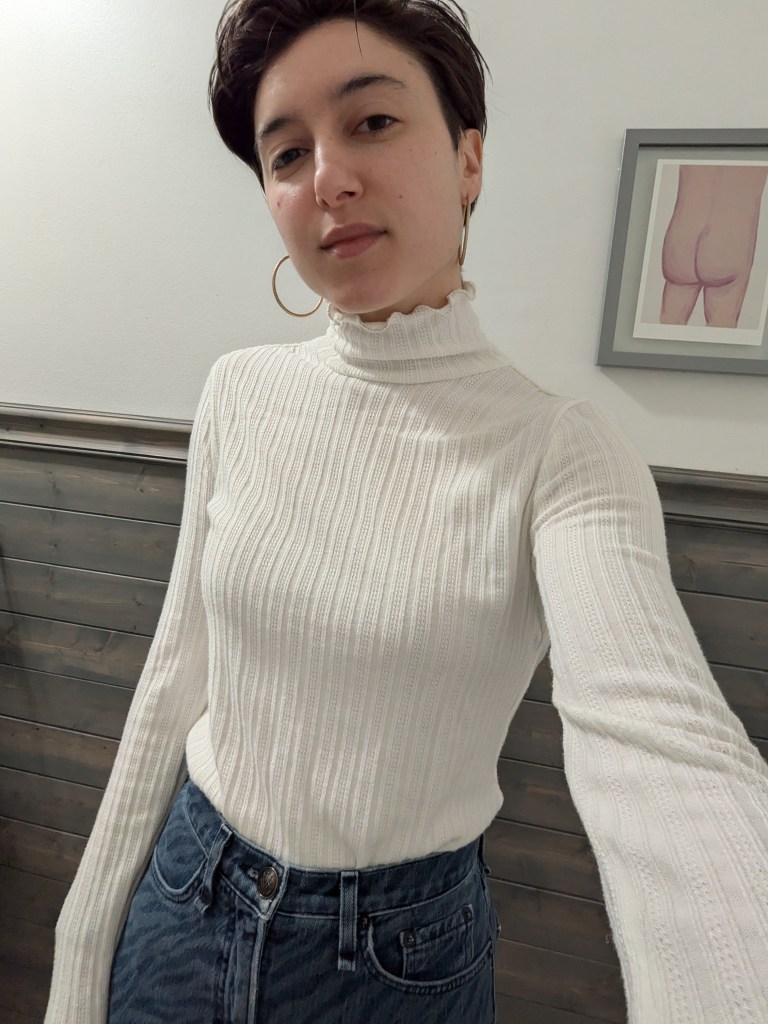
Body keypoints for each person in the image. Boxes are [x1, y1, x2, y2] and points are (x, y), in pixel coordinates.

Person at [44, 1, 768, 1022]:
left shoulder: (559, 450)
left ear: (469, 159)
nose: (328, 177)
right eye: (286, 153)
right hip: (183, 900)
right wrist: (81, 952)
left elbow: (658, 742)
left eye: (373, 122)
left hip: (395, 966)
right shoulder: (240, 391)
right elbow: (174, 680)